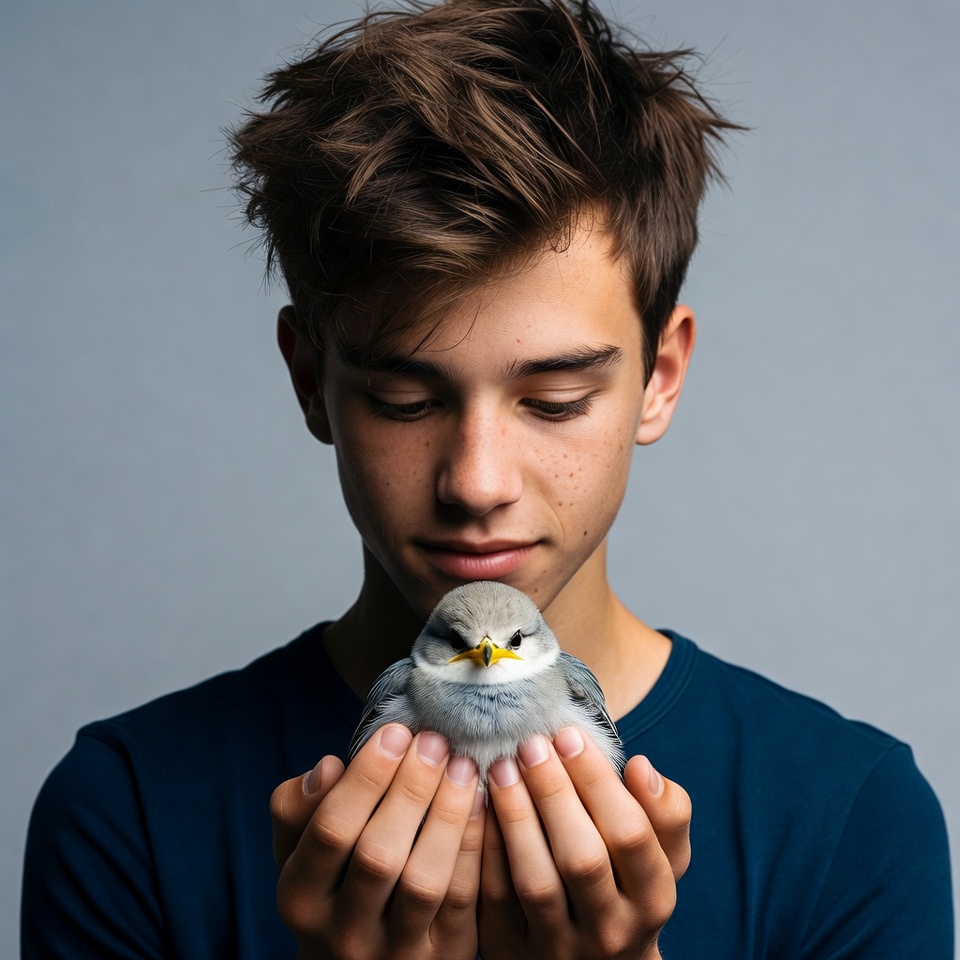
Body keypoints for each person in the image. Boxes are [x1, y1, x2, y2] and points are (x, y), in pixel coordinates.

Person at [22, 0, 953, 956]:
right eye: (405, 400)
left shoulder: (853, 817)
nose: (476, 483)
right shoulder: (127, 810)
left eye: (553, 400)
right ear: (311, 381)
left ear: (657, 380)